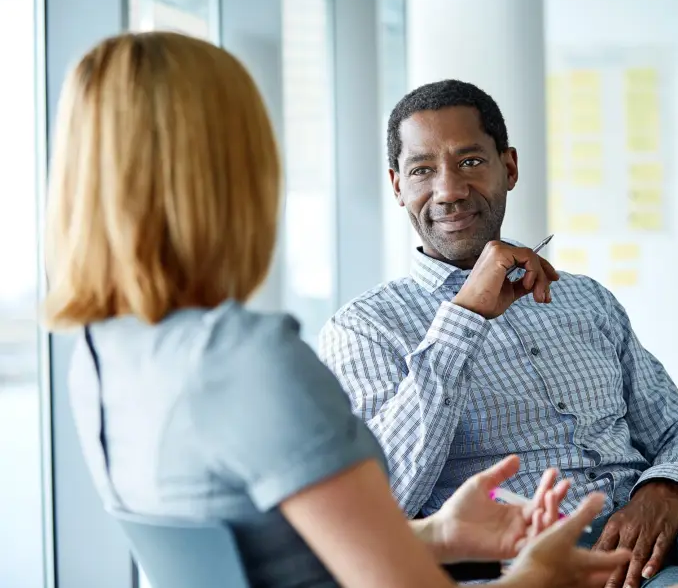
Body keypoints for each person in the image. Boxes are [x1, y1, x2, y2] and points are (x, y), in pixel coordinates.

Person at [43, 31, 645, 588]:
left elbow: (267, 556)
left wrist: (437, 535)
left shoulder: (102, 356)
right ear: (232, 174)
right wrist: (539, 576)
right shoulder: (247, 359)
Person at [319, 79, 678, 588]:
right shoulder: (365, 328)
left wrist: (664, 489)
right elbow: (384, 499)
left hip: (657, 520)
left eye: (470, 162)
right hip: (541, 560)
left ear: (509, 168)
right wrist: (464, 317)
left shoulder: (585, 298)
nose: (449, 190)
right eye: (422, 170)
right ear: (397, 185)